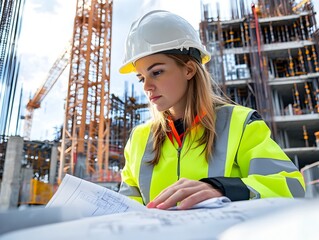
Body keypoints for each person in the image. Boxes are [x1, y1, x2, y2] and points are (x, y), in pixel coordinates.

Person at [118, 10, 305, 210]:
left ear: (189, 69)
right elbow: (125, 210)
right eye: (141, 78)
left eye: (156, 72)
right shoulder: (138, 140)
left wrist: (223, 189)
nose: (147, 86)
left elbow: (292, 187)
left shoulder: (240, 124)